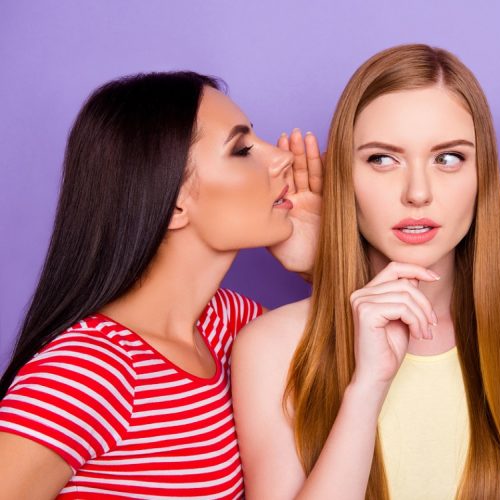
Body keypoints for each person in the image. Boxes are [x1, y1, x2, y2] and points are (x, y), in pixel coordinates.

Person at [232, 44, 500, 500]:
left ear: (482, 175)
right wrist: (367, 389)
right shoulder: (271, 348)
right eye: (382, 159)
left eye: (448, 158)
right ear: (344, 177)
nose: (418, 193)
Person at [0, 71, 322, 498]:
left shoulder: (231, 324)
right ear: (174, 204)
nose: (280, 157)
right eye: (242, 149)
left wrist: (320, 270)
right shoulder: (90, 371)